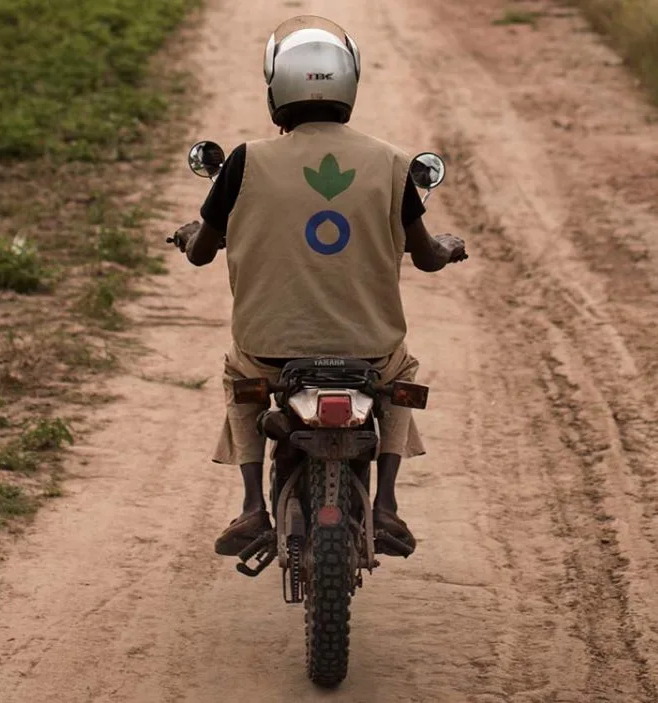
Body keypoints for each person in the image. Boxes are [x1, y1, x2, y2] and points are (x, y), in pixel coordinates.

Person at [171, 16, 468, 560]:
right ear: (349, 84)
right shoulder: (393, 164)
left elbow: (200, 250)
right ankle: (387, 507)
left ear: (275, 87)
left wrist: (194, 236)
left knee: (240, 375)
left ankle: (252, 508)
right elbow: (425, 257)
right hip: (368, 354)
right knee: (399, 373)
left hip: (269, 351)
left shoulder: (243, 161)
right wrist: (446, 247)